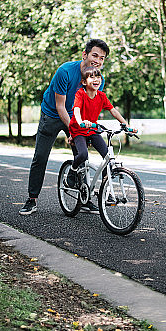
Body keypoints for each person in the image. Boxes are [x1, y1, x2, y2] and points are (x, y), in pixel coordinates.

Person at [18, 39, 109, 215]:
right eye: (95, 55)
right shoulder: (65, 71)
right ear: (85, 55)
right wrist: (75, 130)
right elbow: (60, 106)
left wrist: (87, 131)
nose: (97, 60)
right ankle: (32, 199)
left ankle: (84, 199)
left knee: (82, 155)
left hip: (75, 115)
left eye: (102, 58)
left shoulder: (98, 80)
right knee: (41, 157)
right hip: (52, 114)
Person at [65, 68, 132, 188]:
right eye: (92, 77)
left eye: (98, 77)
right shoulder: (80, 94)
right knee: (83, 154)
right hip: (78, 130)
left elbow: (113, 111)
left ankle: (105, 190)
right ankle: (73, 170)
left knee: (108, 158)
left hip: (92, 130)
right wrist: (81, 122)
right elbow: (76, 110)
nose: (96, 80)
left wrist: (126, 125)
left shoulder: (101, 96)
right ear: (84, 82)